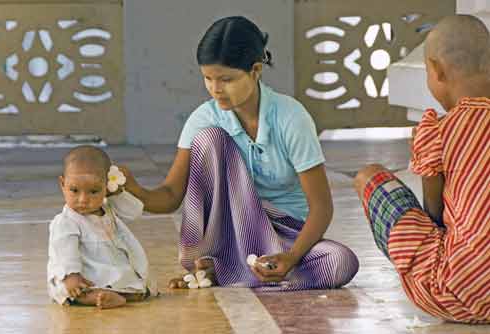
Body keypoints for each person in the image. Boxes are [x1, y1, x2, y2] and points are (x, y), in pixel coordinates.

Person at [123, 16, 358, 291]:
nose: (215, 89)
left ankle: (241, 272)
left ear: (256, 70)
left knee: (341, 262)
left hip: (284, 235)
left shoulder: (290, 117)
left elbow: (321, 207)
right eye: (208, 78)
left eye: (226, 79)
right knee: (211, 139)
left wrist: (291, 257)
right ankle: (221, 264)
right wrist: (134, 189)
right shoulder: (205, 118)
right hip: (229, 237)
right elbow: (172, 196)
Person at [354, 15, 490, 323]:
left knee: (369, 177)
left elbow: (434, 211)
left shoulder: (439, 130)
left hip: (454, 293)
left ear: (437, 71)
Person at [47, 145, 153, 309]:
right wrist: (71, 274)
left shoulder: (109, 206)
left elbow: (135, 212)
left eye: (94, 191)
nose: (83, 199)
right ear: (62, 184)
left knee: (133, 285)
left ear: (106, 186)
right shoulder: (66, 221)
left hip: (110, 267)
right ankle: (95, 297)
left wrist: (117, 193)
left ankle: (117, 295)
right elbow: (64, 250)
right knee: (70, 290)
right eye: (74, 190)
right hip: (82, 275)